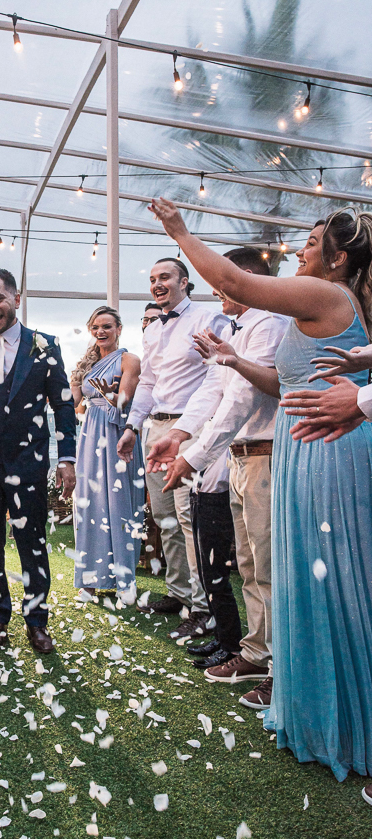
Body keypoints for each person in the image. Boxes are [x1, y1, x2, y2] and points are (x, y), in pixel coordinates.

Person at [151, 197, 372, 787]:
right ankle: (317, 711)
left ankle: (350, 723)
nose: (300, 250)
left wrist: (180, 231)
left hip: (329, 450)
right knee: (304, 579)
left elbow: (232, 280)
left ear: (337, 259)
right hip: (307, 448)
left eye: (309, 242)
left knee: (333, 582)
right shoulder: (326, 304)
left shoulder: (329, 295)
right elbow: (285, 380)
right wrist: (233, 360)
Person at [149, 248, 288, 705]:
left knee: (268, 569)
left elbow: (243, 399)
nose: (215, 291)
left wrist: (194, 457)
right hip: (239, 457)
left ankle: (280, 670)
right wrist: (182, 437)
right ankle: (256, 651)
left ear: (245, 278)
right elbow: (213, 389)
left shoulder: (269, 323)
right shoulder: (239, 327)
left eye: (223, 282)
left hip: (266, 457)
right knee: (248, 567)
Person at [0, 268, 77, 654]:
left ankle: (37, 621)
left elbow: (62, 405)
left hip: (28, 463)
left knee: (32, 542)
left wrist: (67, 459)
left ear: (16, 298)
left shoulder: (44, 345)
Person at [117, 258, 228, 639]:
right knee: (164, 516)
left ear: (185, 281)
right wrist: (133, 426)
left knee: (188, 518)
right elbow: (147, 383)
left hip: (191, 429)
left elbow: (218, 381)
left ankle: (202, 606)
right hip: (155, 427)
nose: (157, 284)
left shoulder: (208, 319)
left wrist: (184, 431)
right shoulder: (152, 330)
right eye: (151, 279)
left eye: (164, 277)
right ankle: (179, 593)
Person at [70, 305, 142, 600]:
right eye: (96, 327)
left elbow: (125, 403)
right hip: (90, 434)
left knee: (118, 502)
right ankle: (89, 579)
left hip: (117, 434)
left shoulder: (129, 360)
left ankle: (124, 581)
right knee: (88, 502)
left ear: (119, 329)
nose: (101, 332)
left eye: (107, 326)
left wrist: (108, 395)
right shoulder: (86, 365)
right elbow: (72, 403)